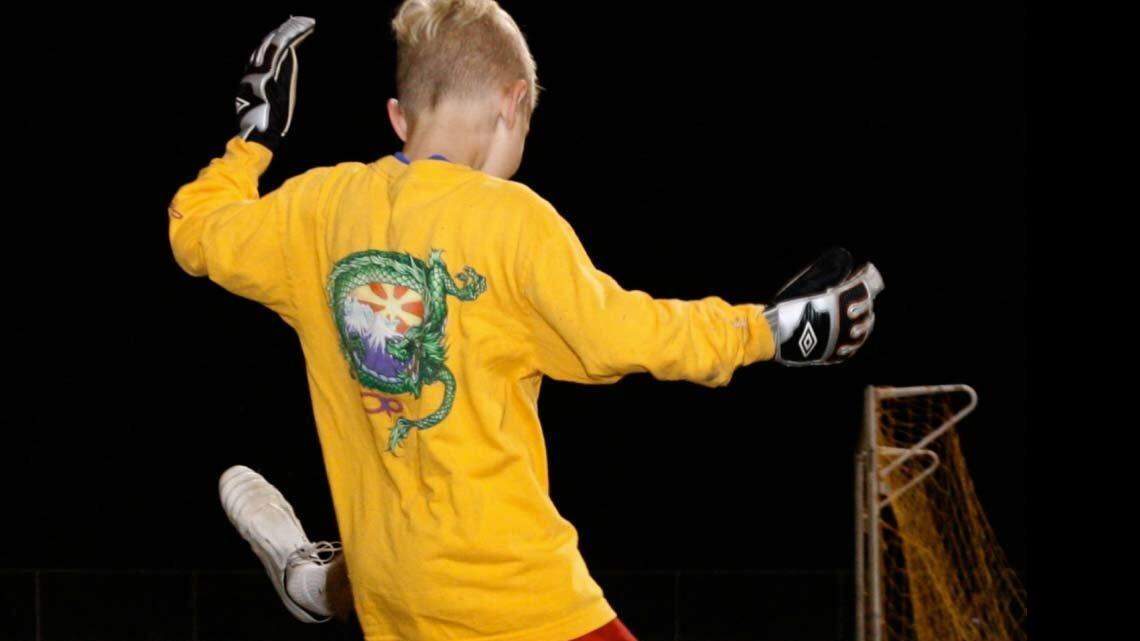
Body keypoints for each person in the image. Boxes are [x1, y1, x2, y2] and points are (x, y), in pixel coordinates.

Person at [170, 3, 884, 640]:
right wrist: (769, 330)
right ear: (513, 103)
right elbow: (624, 335)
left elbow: (195, 232)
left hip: (396, 605)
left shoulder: (317, 211)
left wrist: (252, 138)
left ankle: (313, 582)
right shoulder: (511, 221)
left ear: (399, 116)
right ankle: (315, 583)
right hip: (517, 601)